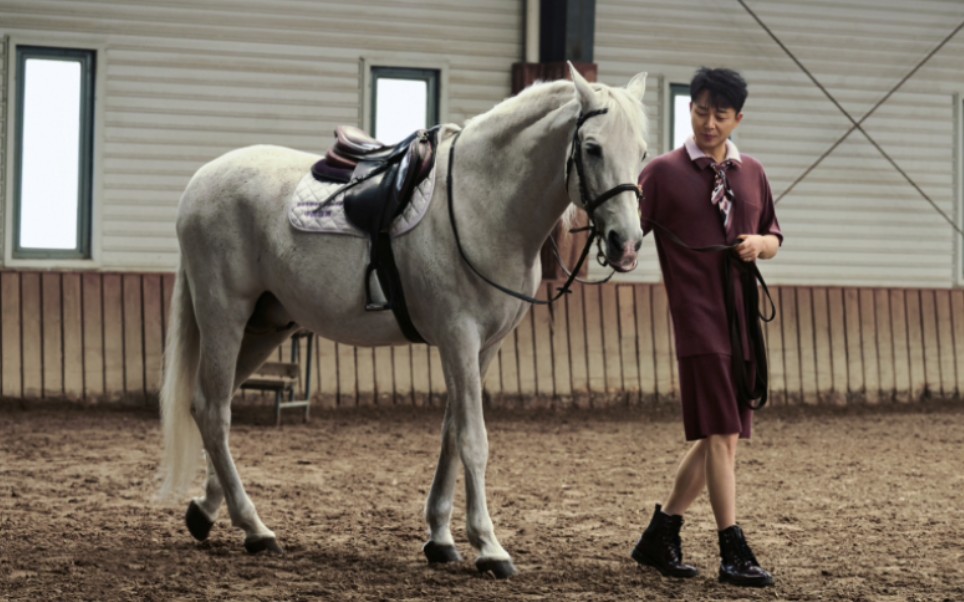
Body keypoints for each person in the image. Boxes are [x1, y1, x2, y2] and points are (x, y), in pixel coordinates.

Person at [630, 67, 782, 588]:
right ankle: (732, 548)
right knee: (722, 432)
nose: (708, 123)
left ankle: (661, 533)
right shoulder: (661, 173)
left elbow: (774, 236)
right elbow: (627, 236)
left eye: (720, 114)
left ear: (738, 118)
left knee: (727, 436)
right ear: (688, 109)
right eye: (699, 111)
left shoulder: (753, 171)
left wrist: (760, 245)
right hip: (696, 316)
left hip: (742, 319)